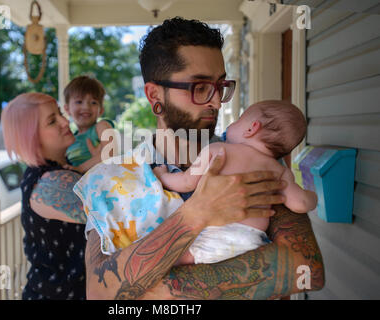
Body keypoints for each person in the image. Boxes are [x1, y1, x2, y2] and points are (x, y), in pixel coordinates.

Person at [84, 17, 324, 300]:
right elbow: (100, 294)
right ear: (154, 95)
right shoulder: (110, 180)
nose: (215, 101)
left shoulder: (257, 159)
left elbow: (306, 269)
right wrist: (197, 213)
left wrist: (145, 290)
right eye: (199, 87)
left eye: (220, 85)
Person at [153, 100, 318, 265]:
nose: (232, 124)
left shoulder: (217, 150)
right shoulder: (279, 171)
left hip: (216, 231)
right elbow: (301, 203)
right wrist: (313, 195)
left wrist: (162, 176)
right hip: (252, 238)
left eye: (239, 119)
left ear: (251, 128)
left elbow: (186, 182)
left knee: (175, 259)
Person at [1, 92, 88, 300]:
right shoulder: (48, 182)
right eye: (52, 121)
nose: (65, 121)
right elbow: (119, 211)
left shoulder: (63, 168)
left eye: (59, 113)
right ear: (32, 137)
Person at [63, 75, 115, 173]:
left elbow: (109, 152)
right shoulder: (69, 140)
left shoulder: (101, 127)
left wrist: (80, 169)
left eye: (93, 102)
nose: (86, 107)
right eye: (79, 102)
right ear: (67, 109)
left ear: (101, 110)